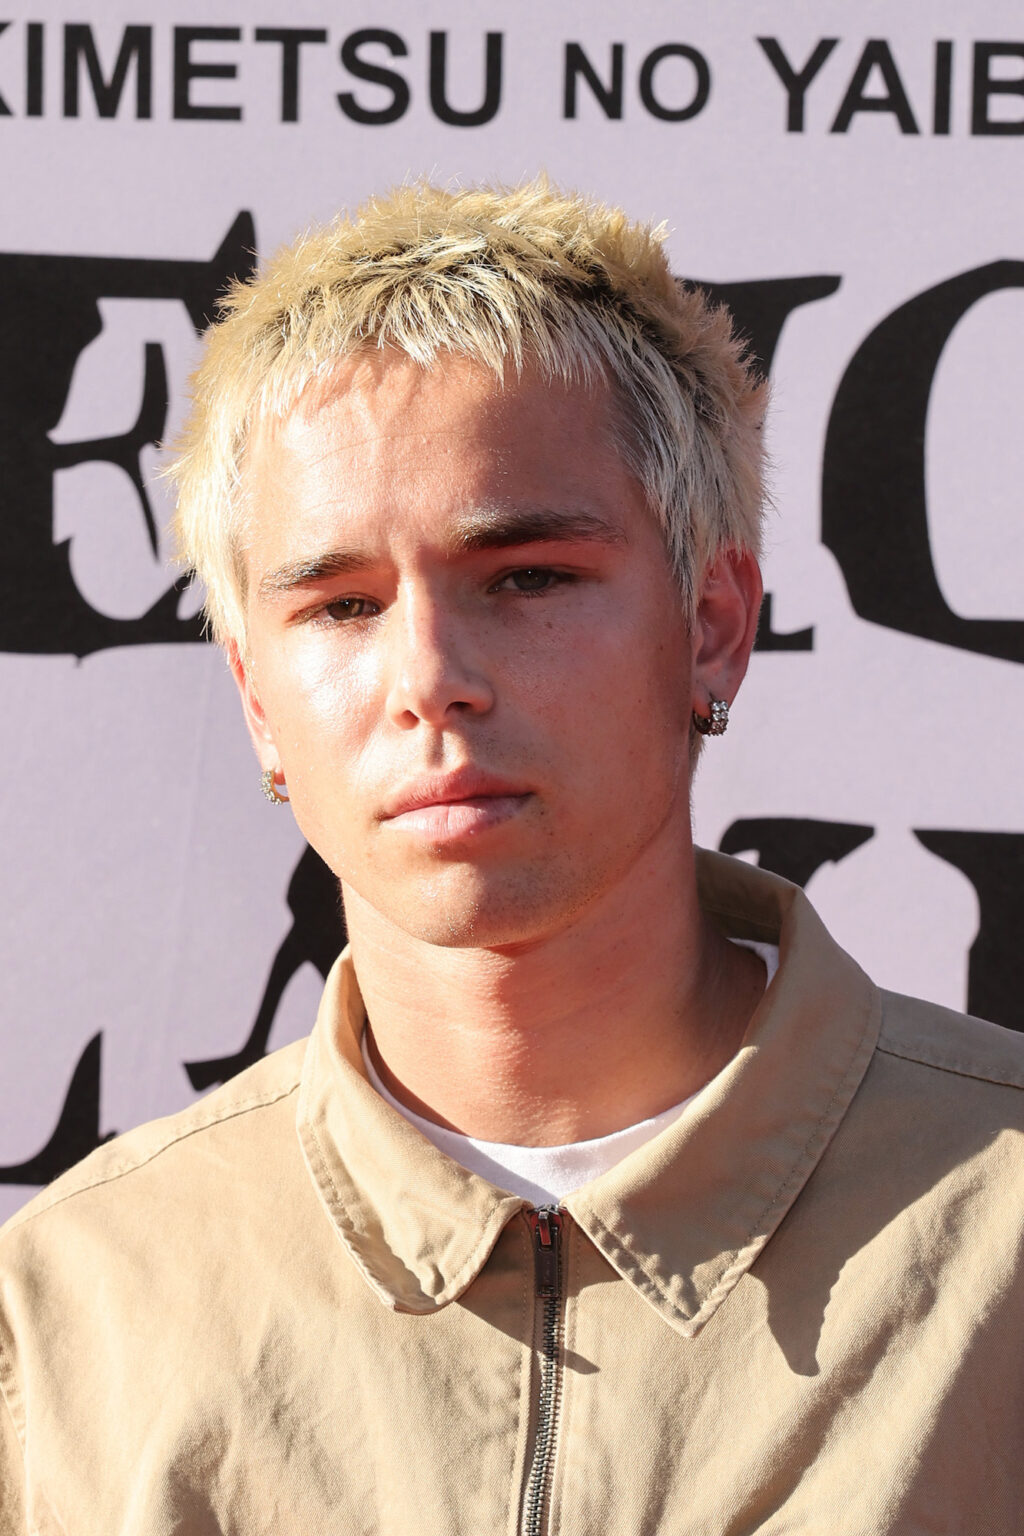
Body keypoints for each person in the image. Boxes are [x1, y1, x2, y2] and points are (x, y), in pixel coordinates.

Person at [1, 178, 1022, 1535]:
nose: (430, 677)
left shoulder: (999, 1229)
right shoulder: (80, 1307)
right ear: (258, 698)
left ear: (713, 624)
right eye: (344, 603)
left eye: (527, 576)